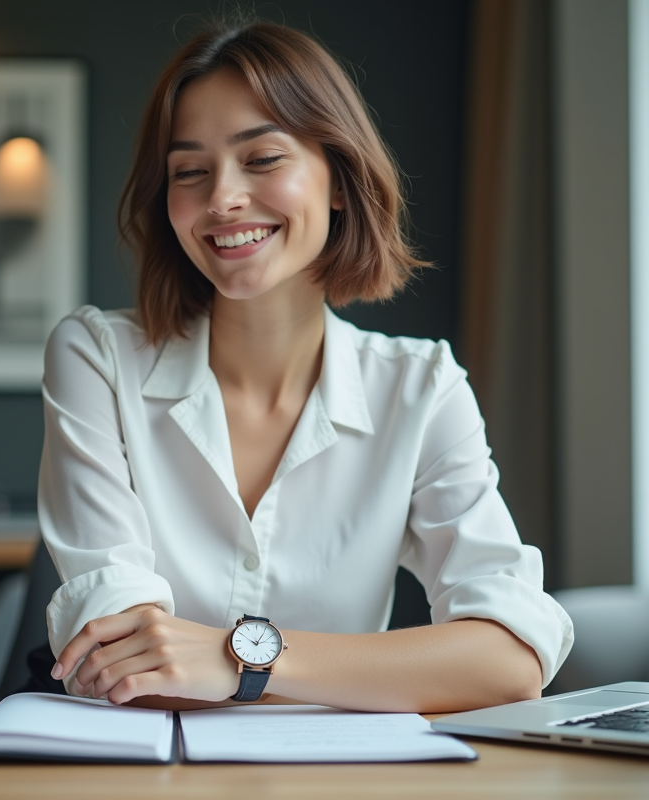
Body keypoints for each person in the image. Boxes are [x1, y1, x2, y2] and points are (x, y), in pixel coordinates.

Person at [39, 16, 573, 713]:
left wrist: (238, 659)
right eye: (190, 171)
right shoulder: (96, 359)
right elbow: (126, 664)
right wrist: (368, 670)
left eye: (261, 160)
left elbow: (510, 658)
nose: (223, 198)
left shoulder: (420, 390)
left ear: (340, 180)